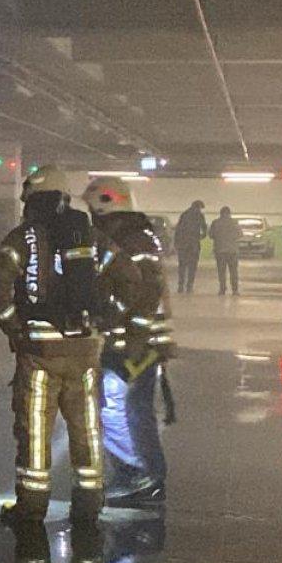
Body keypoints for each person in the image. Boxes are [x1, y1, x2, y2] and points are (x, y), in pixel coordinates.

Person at [0, 164, 104, 527]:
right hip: (85, 349)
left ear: (33, 199)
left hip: (41, 354)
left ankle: (32, 509)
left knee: (35, 430)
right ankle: (89, 504)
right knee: (86, 429)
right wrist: (104, 320)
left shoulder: (24, 237)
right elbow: (124, 277)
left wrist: (13, 326)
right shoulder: (88, 234)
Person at [82, 177, 176, 506]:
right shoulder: (126, 235)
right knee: (123, 409)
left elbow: (147, 293)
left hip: (137, 345)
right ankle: (134, 475)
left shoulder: (132, 239)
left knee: (125, 409)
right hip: (130, 341)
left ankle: (143, 477)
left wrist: (134, 339)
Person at [172, 200, 206, 293]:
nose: (200, 210)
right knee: (192, 266)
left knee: (182, 266)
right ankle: (189, 286)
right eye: (200, 208)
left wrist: (176, 243)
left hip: (183, 245)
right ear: (197, 207)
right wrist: (200, 236)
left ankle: (181, 286)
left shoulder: (184, 215)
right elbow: (204, 229)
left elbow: (178, 229)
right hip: (193, 245)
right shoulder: (199, 216)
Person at [208, 206, 243, 296]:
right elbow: (240, 234)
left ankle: (222, 289)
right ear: (229, 213)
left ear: (221, 213)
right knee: (233, 271)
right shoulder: (234, 223)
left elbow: (211, 235)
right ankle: (235, 289)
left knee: (221, 271)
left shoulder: (216, 223)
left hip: (220, 250)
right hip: (232, 251)